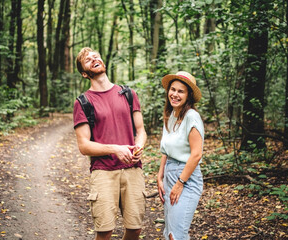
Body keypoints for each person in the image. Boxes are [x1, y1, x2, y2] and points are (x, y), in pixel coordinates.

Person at [73, 47, 147, 240]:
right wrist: (115, 149)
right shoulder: (83, 102)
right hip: (103, 172)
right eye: (87, 60)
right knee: (104, 231)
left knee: (134, 229)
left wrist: (138, 146)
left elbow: (140, 131)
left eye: (95, 56)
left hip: (133, 170)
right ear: (84, 73)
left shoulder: (128, 94)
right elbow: (84, 145)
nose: (93, 59)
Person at [157, 71, 204, 240]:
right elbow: (166, 150)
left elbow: (196, 155)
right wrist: (160, 175)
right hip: (170, 173)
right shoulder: (171, 115)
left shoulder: (192, 117)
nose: (175, 94)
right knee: (170, 232)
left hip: (186, 177)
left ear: (188, 96)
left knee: (177, 234)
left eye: (181, 91)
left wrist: (180, 183)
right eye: (173, 89)